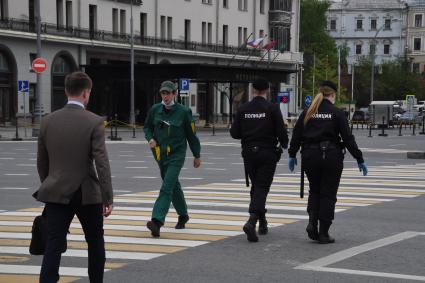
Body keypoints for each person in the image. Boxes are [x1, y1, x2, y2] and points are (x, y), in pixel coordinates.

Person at [34, 71, 114, 282]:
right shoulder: (95, 122)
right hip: (86, 194)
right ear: (86, 93)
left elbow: (42, 162)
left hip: (56, 192)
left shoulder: (47, 121)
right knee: (95, 242)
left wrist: (50, 184)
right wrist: (108, 198)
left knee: (53, 244)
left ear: (67, 91)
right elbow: (101, 163)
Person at [288, 80, 368, 244]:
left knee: (315, 191)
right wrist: (359, 158)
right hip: (331, 156)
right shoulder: (337, 112)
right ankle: (323, 232)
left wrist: (292, 154)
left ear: (320, 93)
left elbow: (296, 134)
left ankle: (312, 223)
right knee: (328, 194)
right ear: (333, 94)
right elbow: (347, 139)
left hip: (310, 156)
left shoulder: (308, 112)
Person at [230, 78, 288, 242]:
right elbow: (281, 132)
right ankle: (252, 220)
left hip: (249, 153)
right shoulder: (272, 108)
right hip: (267, 153)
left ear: (253, 90)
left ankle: (262, 222)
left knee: (256, 187)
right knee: (262, 187)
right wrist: (285, 145)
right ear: (267, 90)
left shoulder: (243, 108)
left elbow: (235, 133)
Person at [144, 80, 201, 237]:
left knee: (167, 186)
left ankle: (156, 221)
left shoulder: (183, 112)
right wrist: (150, 138)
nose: (166, 96)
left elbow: (192, 135)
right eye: (163, 93)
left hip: (177, 155)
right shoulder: (155, 110)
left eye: (168, 93)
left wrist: (197, 155)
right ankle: (183, 215)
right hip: (160, 154)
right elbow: (147, 126)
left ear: (174, 94)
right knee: (173, 185)